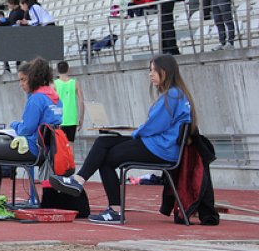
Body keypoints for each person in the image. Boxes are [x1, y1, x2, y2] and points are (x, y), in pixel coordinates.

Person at [50, 54, 195, 223]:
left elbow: (154, 126)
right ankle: (79, 181)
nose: (150, 74)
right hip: (159, 145)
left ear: (166, 71)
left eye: (154, 71)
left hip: (160, 149)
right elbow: (155, 125)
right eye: (150, 70)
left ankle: (111, 207)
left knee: (105, 158)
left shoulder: (172, 95)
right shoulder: (176, 94)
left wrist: (135, 133)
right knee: (103, 141)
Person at [0, 59, 62, 195]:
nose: (21, 84)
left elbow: (26, 129)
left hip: (34, 150)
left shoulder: (36, 99)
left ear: (33, 78)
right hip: (50, 152)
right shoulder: (55, 98)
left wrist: (14, 124)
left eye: (23, 80)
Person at [54, 61, 85, 142]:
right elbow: (81, 101)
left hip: (59, 120)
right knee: (70, 145)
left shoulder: (54, 84)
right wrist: (81, 118)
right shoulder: (75, 83)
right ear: (68, 69)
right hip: (72, 118)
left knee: (60, 146)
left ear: (57, 70)